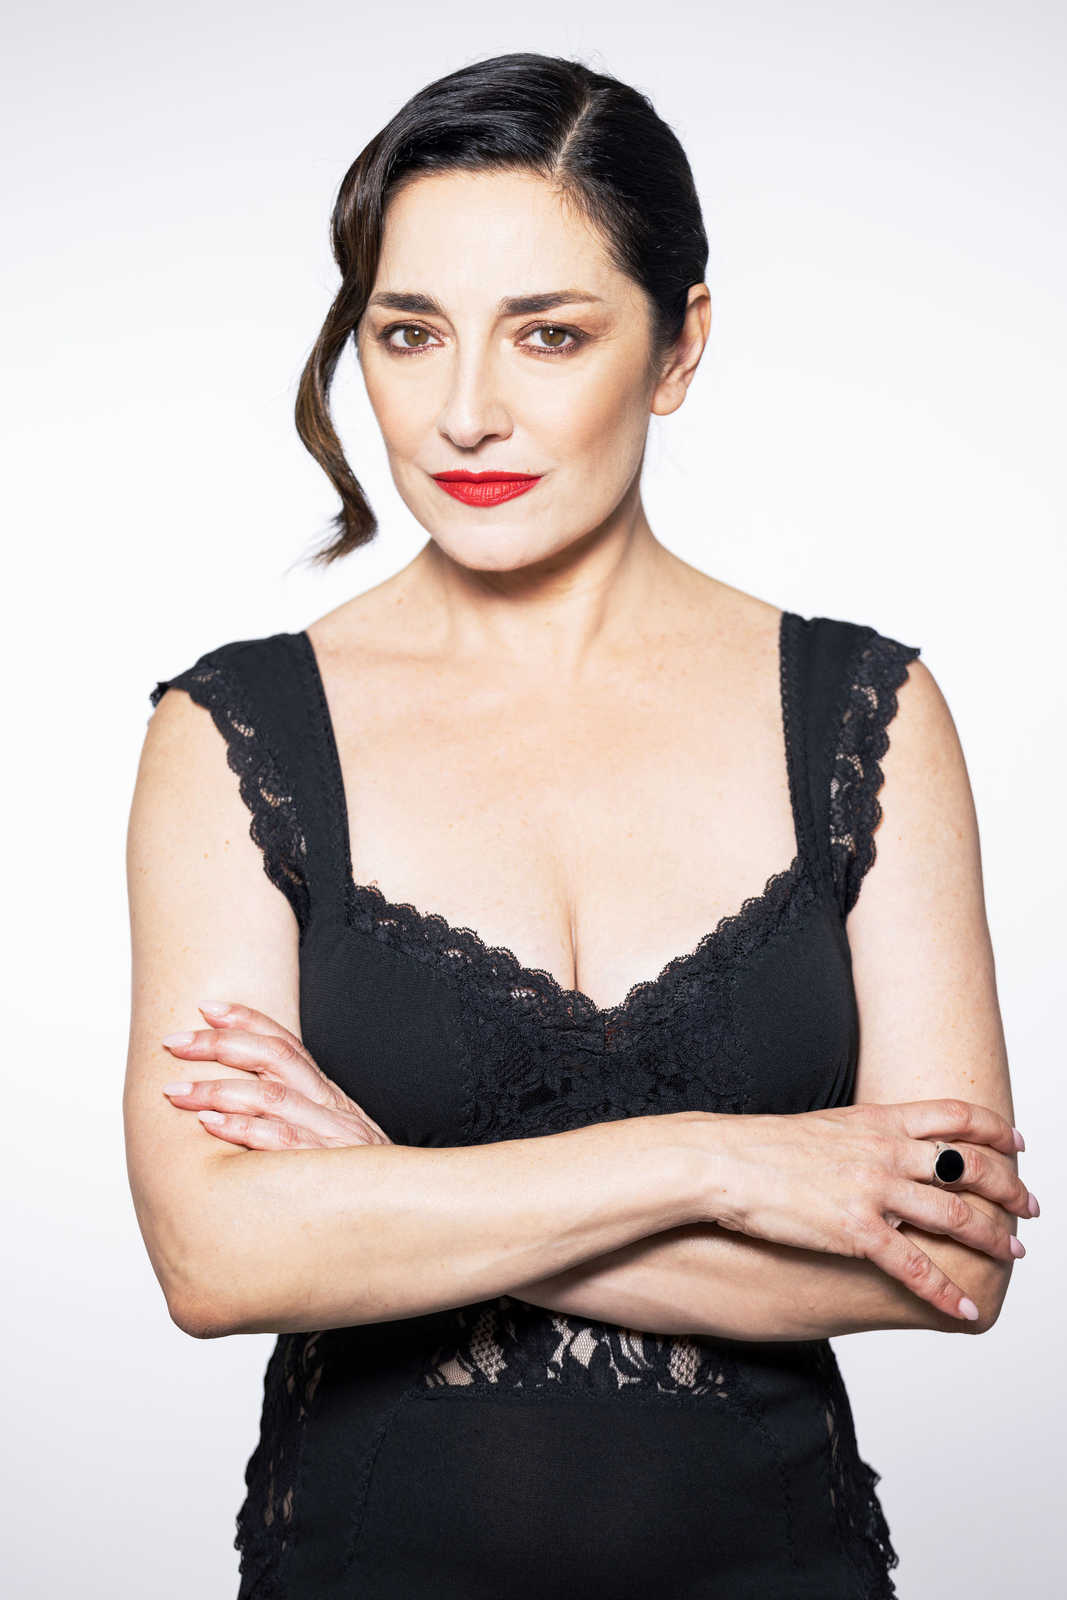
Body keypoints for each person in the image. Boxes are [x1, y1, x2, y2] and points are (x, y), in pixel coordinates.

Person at [124, 52, 1034, 1600]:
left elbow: (950, 1252)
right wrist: (717, 1164)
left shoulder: (866, 714)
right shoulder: (234, 733)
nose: (466, 413)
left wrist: (394, 1189)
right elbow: (217, 1258)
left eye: (549, 334)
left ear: (678, 347)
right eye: (410, 334)